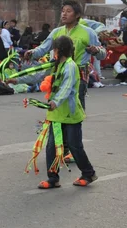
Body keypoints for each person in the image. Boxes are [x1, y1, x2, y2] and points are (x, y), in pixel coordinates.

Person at [27, 36, 97, 189]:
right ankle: (53, 178)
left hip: (70, 114)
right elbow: (37, 75)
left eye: (54, 50)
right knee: (52, 146)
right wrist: (16, 80)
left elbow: (66, 87)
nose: (53, 53)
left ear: (58, 50)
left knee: (74, 145)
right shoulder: (55, 65)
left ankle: (88, 173)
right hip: (56, 115)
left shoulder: (70, 66)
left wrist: (55, 101)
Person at [25, 0, 106, 110]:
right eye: (63, 11)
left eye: (68, 11)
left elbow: (102, 54)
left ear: (77, 15)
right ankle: (55, 126)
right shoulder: (56, 32)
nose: (64, 14)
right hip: (58, 74)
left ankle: (75, 126)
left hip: (79, 75)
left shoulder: (88, 32)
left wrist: (96, 51)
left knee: (75, 106)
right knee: (56, 105)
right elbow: (42, 49)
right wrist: (32, 53)